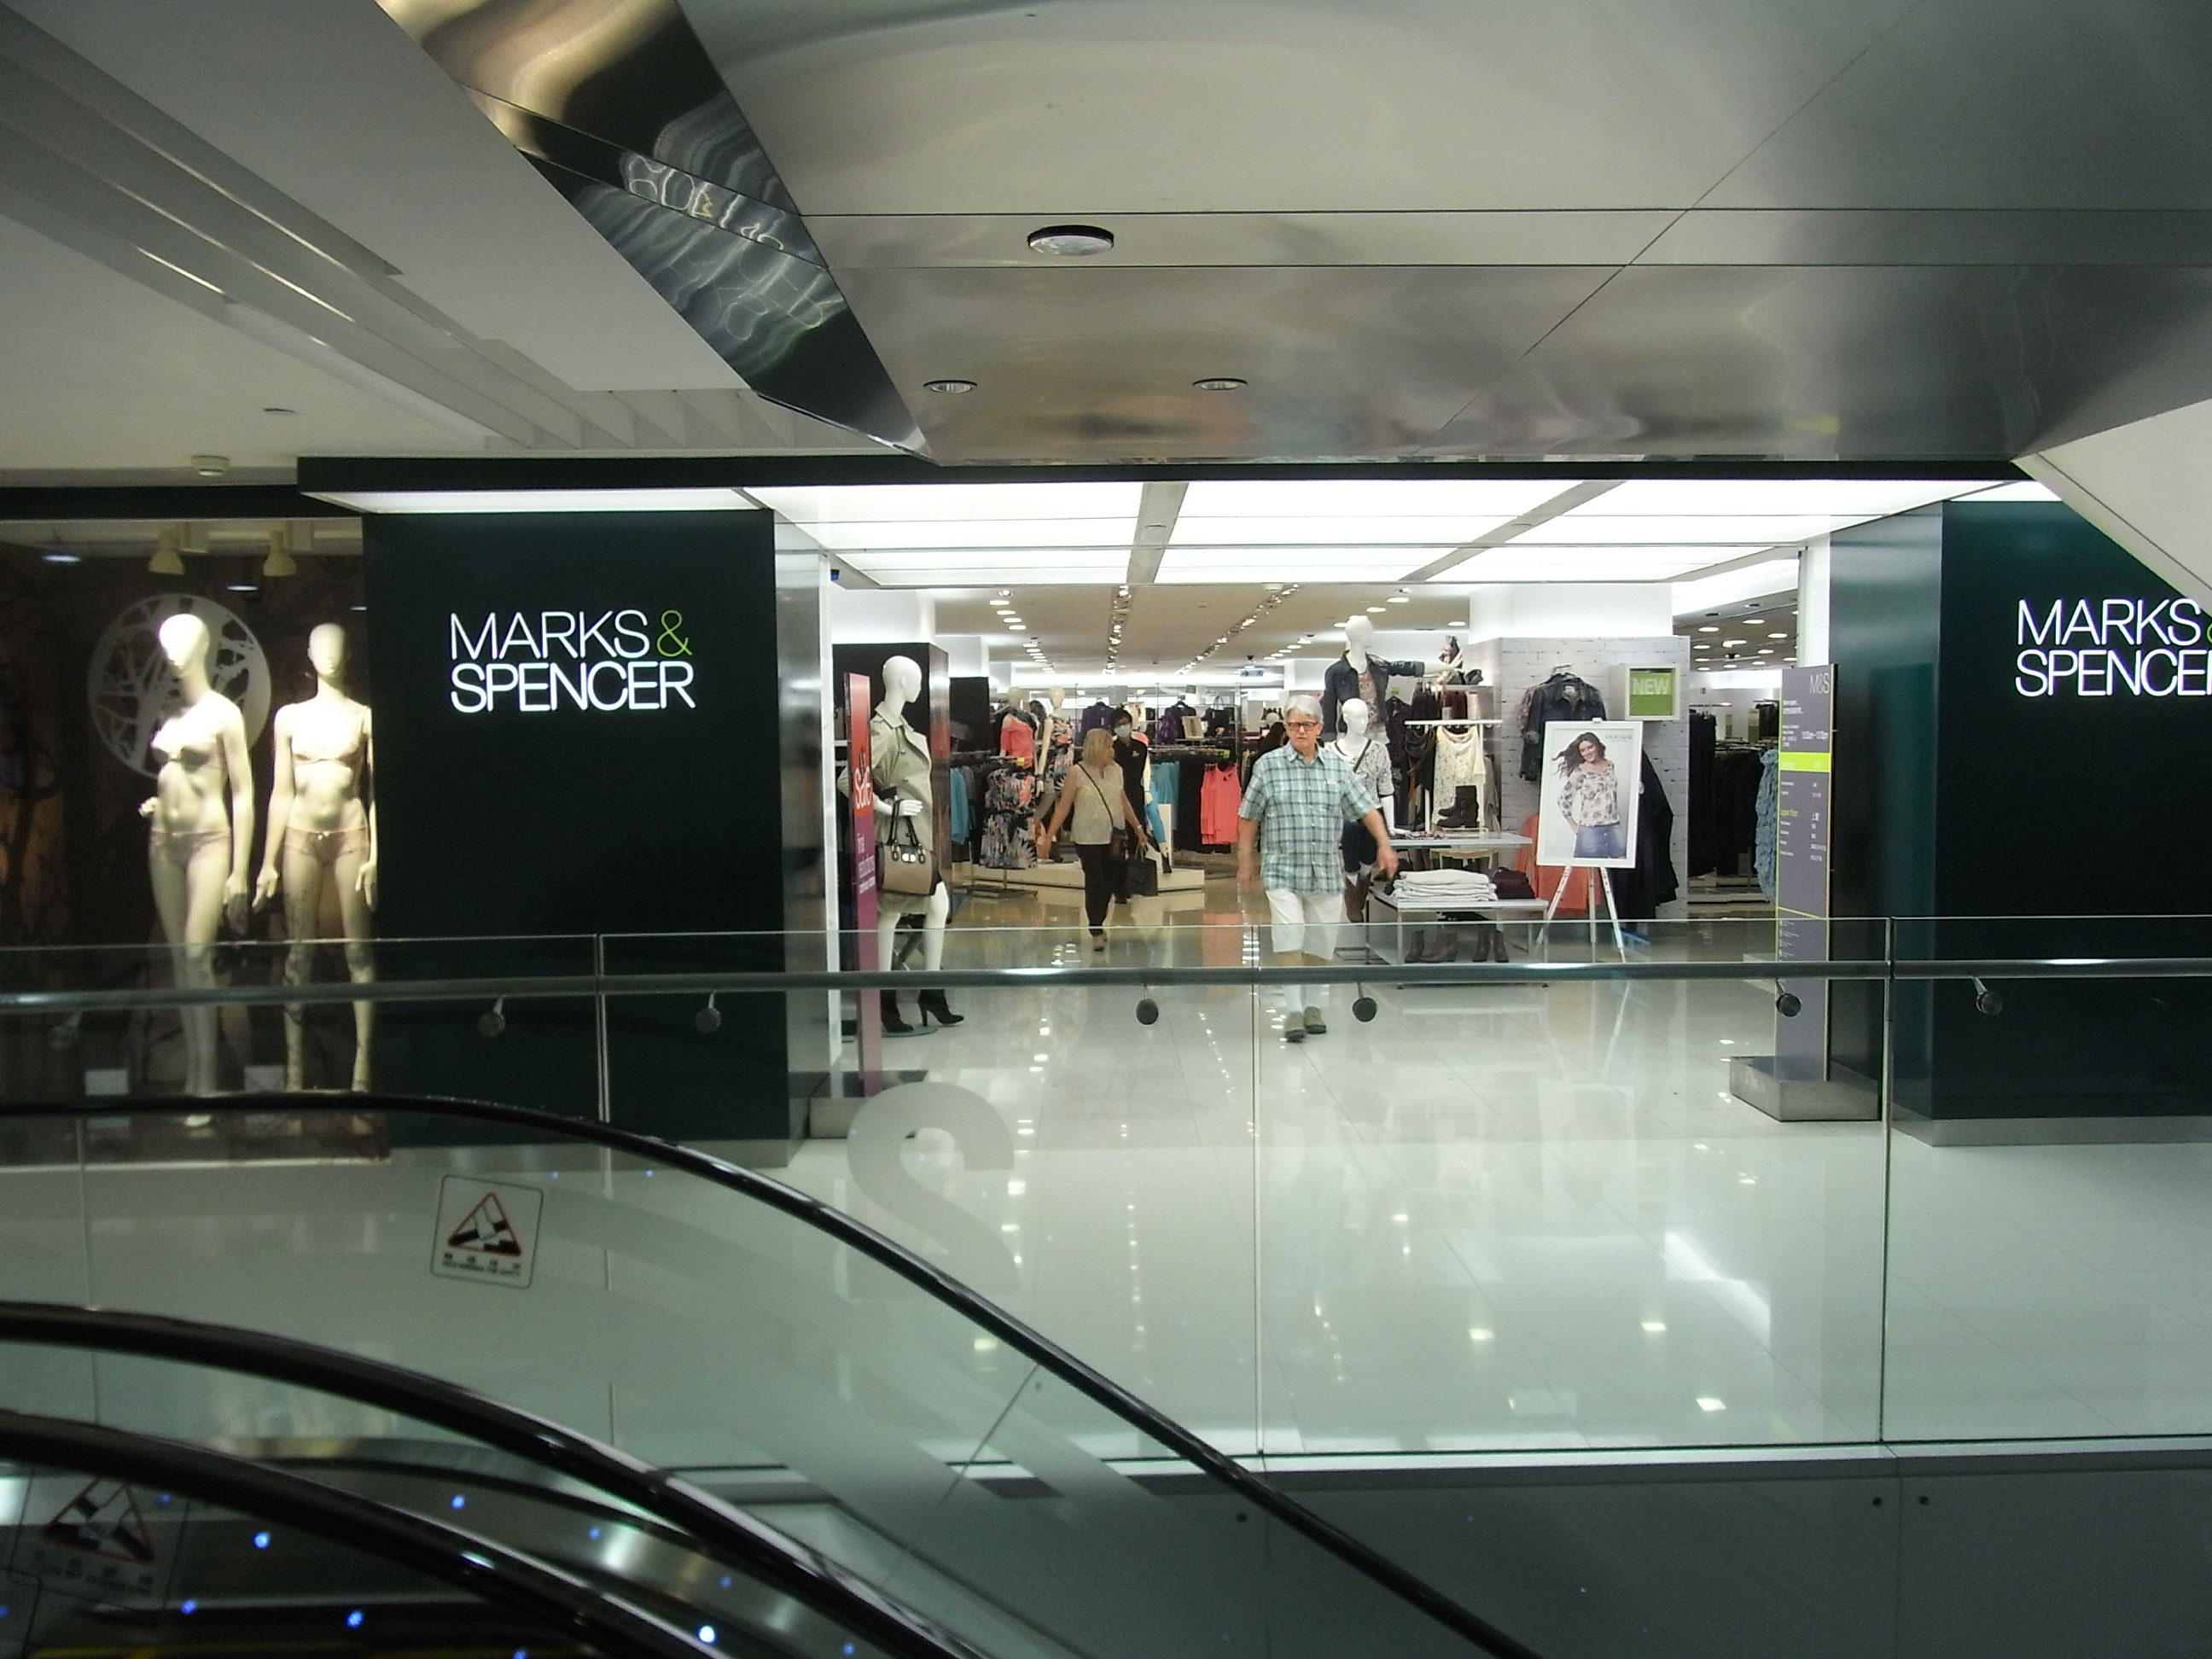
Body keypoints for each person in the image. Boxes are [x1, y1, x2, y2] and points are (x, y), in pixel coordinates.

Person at [1236, 694, 1399, 1041]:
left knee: (1322, 942)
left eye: (1307, 725)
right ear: (1285, 727)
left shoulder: (1337, 769)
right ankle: (1293, 1010)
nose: (1299, 731)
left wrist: (1385, 844)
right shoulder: (1268, 765)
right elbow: (1249, 816)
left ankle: (1313, 1005)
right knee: (1289, 933)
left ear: (1320, 728)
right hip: (1282, 869)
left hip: (1325, 870)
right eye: (1293, 724)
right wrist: (1245, 859)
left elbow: (1367, 808)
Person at [1038, 727, 1151, 950]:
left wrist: (1137, 827)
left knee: (1109, 882)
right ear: (1097, 748)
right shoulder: (1077, 772)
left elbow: (1123, 801)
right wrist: (1049, 836)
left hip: (1114, 835)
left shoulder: (1116, 770)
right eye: (1108, 746)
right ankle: (1096, 927)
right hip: (1087, 837)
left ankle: (1099, 921)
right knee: (1095, 880)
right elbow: (1063, 807)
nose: (1112, 751)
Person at [1555, 731, 1624, 859]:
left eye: (1590, 747)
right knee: (1587, 870)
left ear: (1597, 746)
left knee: (1620, 868)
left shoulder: (1610, 765)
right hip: (1590, 829)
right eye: (1583, 750)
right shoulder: (1580, 771)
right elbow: (1563, 799)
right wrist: (1573, 825)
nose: (1587, 752)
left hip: (1613, 825)